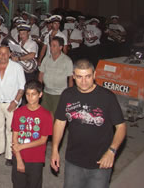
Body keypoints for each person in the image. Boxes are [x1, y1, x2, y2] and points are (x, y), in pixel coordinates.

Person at [51, 59, 127, 188]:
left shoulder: (107, 97)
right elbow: (59, 122)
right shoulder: (67, 95)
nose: (84, 81)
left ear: (94, 75)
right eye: (79, 77)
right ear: (73, 76)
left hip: (101, 163)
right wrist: (54, 149)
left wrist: (111, 151)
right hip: (73, 161)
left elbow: (121, 127)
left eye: (88, 76)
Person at [0, 45, 25, 166]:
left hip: (11, 103)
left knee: (11, 129)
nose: (3, 56)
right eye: (0, 53)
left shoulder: (17, 67)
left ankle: (10, 154)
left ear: (10, 54)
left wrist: (16, 102)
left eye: (5, 53)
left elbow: (21, 87)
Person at [11, 79, 53, 188]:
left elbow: (43, 140)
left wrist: (22, 146)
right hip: (19, 157)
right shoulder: (18, 112)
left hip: (36, 160)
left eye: (33, 94)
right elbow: (14, 137)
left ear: (40, 94)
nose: (30, 97)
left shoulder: (46, 115)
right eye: (28, 94)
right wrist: (19, 160)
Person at [38, 37, 73, 115]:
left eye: (54, 46)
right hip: (46, 93)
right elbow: (41, 75)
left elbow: (70, 79)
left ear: (60, 47)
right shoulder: (46, 59)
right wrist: (39, 89)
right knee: (44, 115)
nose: (51, 48)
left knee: (56, 116)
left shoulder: (67, 61)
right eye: (50, 45)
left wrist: (70, 94)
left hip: (59, 94)